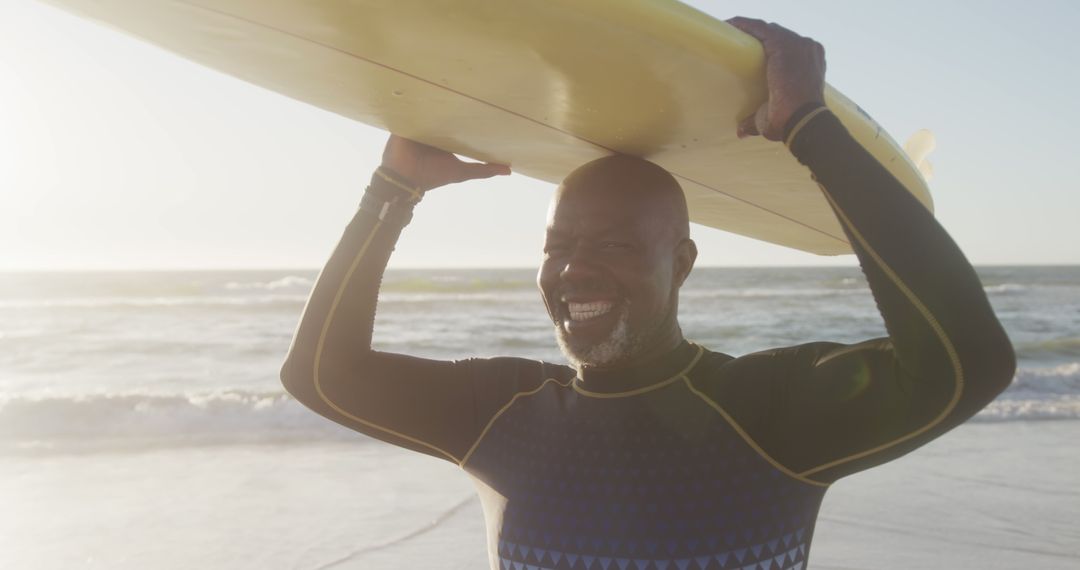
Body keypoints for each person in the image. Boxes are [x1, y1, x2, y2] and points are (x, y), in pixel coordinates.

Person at [280, 18, 1015, 570]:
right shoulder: (499, 411)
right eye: (558, 248)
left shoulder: (768, 412)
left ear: (683, 263)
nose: (574, 271)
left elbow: (967, 363)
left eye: (614, 245)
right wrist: (393, 188)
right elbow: (319, 375)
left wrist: (811, 130)